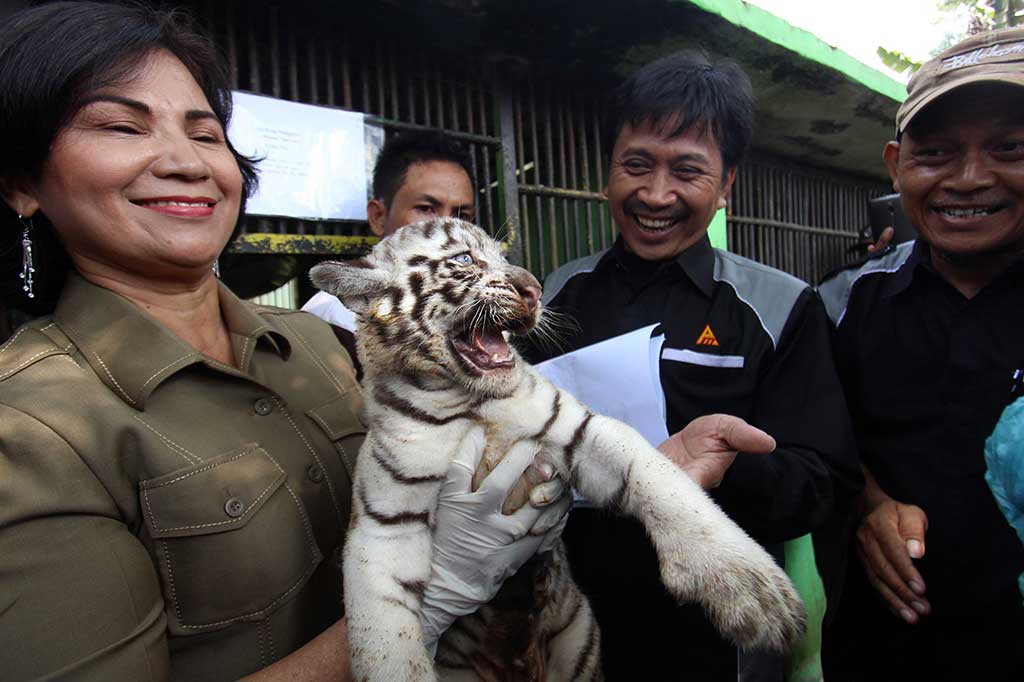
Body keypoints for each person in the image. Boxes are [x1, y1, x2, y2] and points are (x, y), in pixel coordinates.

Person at [0, 4, 565, 680]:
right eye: (123, 126)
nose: (185, 162)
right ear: (22, 183)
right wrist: (432, 597)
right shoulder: (29, 431)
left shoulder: (321, 345)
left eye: (206, 135)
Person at [521, 50, 862, 681]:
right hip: (567, 630)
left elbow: (825, 482)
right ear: (607, 172)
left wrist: (725, 470)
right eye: (636, 165)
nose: (655, 194)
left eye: (688, 171)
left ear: (727, 183)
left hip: (714, 646)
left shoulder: (779, 307)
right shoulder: (558, 293)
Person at [818, 27, 1024, 682]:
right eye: (934, 153)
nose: (968, 179)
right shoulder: (841, 306)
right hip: (880, 654)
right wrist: (871, 505)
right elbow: (819, 444)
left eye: (1008, 149)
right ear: (895, 165)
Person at [301, 130, 475, 343]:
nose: (451, 231)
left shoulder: (477, 308)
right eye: (426, 209)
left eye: (462, 216)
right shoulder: (333, 317)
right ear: (379, 217)